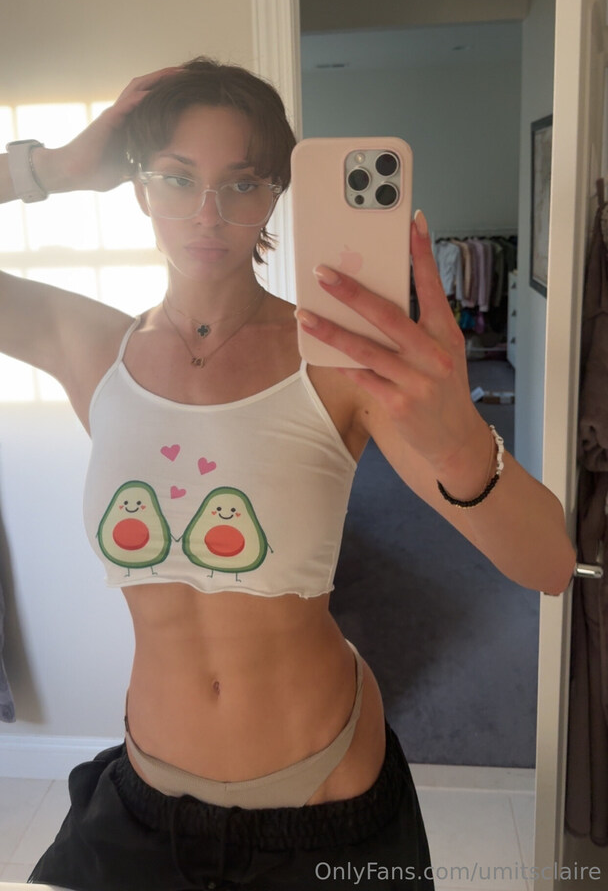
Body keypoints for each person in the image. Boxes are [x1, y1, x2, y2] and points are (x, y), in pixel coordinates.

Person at [0, 57, 575, 891]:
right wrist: (47, 169)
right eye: (177, 178)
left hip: (325, 802)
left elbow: (550, 564)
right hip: (145, 802)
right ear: (139, 187)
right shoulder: (91, 347)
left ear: (274, 195)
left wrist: (459, 445)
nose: (208, 212)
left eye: (241, 183)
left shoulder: (338, 361)